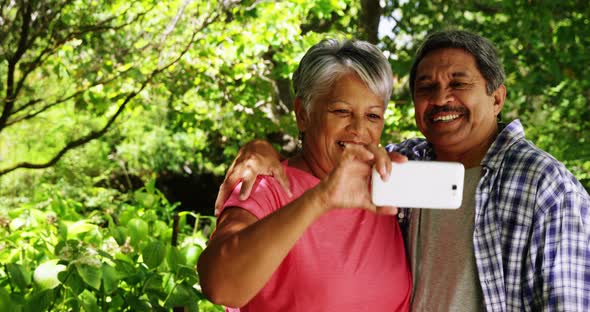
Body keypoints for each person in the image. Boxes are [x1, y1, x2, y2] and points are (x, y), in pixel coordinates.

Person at [214, 30, 590, 311]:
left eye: (458, 83)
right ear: (303, 112)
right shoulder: (395, 171)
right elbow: (223, 284)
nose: (441, 98)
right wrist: (259, 150)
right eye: (426, 87)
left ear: (497, 97)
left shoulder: (545, 186)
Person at [197, 38, 412, 311]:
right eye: (342, 111)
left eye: (373, 116)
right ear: (303, 114)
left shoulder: (387, 184)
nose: (359, 128)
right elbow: (220, 286)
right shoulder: (266, 188)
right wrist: (320, 198)